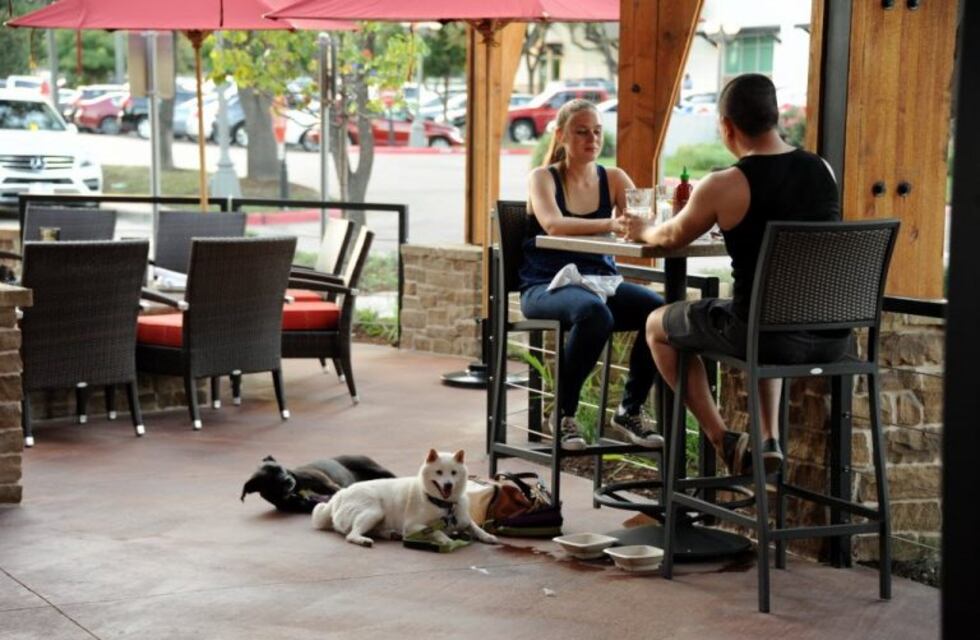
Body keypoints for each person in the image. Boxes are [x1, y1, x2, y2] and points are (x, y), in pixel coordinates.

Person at [624, 74, 849, 475]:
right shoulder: (823, 169)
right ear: (775, 117)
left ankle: (722, 438)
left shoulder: (726, 183)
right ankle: (768, 440)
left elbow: (671, 236)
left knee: (658, 324)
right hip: (831, 337)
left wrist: (641, 230)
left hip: (761, 335)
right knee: (769, 312)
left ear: (727, 126)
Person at [521, 98, 665, 451]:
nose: (592, 138)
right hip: (547, 285)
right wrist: (610, 223)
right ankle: (563, 414)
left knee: (659, 313)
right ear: (561, 135)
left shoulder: (613, 178)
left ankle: (629, 411)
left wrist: (652, 220)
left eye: (597, 131)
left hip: (600, 282)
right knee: (594, 314)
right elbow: (554, 225)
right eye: (582, 131)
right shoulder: (542, 178)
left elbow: (641, 220)